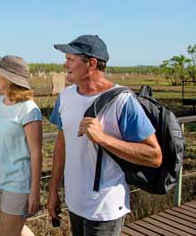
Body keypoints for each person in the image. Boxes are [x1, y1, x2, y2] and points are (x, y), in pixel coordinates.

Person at [47, 35, 162, 236]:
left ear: (91, 64)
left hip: (105, 207)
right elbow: (61, 145)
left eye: (70, 60)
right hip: (74, 202)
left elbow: (154, 156)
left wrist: (103, 138)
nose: (65, 65)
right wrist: (53, 191)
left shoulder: (123, 102)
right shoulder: (65, 97)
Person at [0, 55, 43, 236]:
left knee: (7, 233)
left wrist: (34, 191)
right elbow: (0, 134)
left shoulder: (29, 109)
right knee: (18, 229)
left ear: (10, 78)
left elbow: (36, 153)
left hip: (17, 183)